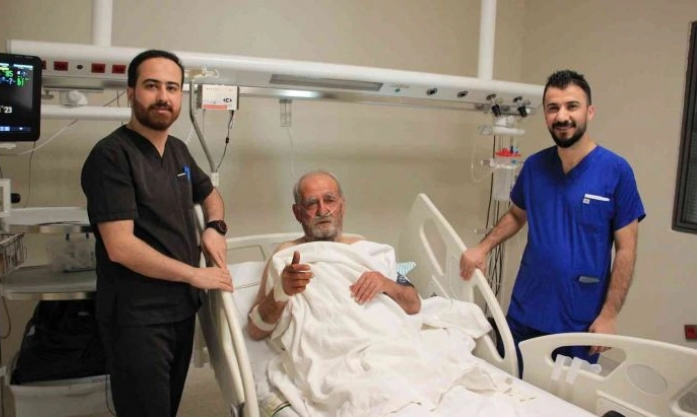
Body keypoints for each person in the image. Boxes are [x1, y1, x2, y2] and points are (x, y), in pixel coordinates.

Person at [81, 49, 233, 417]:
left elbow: (211, 194)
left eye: (172, 88)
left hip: (180, 310)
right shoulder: (112, 156)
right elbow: (121, 247)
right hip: (138, 317)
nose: (163, 97)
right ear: (131, 93)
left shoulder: (178, 151)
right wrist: (195, 274)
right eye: (152, 86)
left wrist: (215, 227)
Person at [460, 69, 645, 368]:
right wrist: (483, 248)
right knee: (512, 387)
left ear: (589, 111)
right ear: (546, 115)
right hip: (526, 309)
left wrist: (609, 314)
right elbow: (517, 214)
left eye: (572, 106)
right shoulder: (535, 166)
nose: (562, 116)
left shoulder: (616, 171)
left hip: (579, 318)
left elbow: (626, 249)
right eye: (553, 108)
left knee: (564, 394)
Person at [246, 170, 420, 341]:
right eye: (312, 203)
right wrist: (281, 291)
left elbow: (413, 305)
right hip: (323, 347)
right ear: (297, 213)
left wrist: (386, 284)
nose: (322, 210)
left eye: (329, 200)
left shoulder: (368, 251)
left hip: (383, 340)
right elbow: (255, 330)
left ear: (342, 206)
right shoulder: (285, 256)